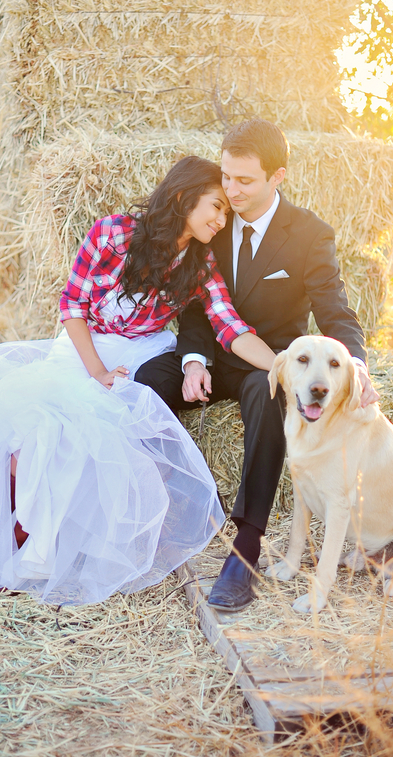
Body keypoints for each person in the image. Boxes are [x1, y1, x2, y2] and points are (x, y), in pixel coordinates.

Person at [0, 156, 276, 606]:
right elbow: (72, 305)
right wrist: (97, 371)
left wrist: (279, 364)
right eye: (216, 207)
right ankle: (12, 533)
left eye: (226, 213)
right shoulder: (113, 232)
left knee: (90, 435)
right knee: (35, 425)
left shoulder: (200, 264)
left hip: (140, 352)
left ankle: (38, 548)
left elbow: (229, 327)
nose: (222, 220)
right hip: (83, 347)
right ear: (184, 198)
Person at [135, 120, 379, 612]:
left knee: (267, 400)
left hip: (268, 363)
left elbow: (335, 311)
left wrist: (353, 363)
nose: (230, 191)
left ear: (277, 177)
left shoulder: (310, 235)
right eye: (225, 177)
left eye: (244, 181)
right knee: (145, 382)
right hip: (212, 355)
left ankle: (244, 553)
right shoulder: (214, 222)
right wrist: (192, 362)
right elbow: (195, 304)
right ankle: (151, 514)